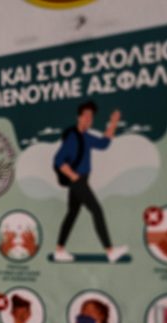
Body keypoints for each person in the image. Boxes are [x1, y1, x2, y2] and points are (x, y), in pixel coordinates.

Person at [53, 100, 128, 263]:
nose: (88, 119)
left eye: (91, 116)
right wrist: (73, 176)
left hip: (81, 180)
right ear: (79, 117)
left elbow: (104, 143)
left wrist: (113, 123)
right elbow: (58, 160)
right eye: (85, 115)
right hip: (78, 181)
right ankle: (110, 251)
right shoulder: (73, 137)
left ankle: (59, 251)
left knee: (72, 213)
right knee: (96, 210)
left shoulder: (85, 136)